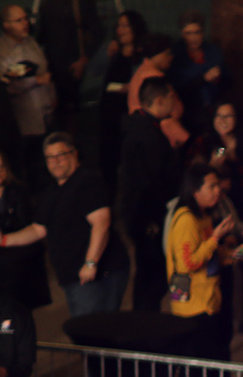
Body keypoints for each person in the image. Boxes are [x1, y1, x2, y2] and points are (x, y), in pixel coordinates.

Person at [16, 132, 126, 317]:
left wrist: (90, 263)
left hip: (96, 276)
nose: (55, 161)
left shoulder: (87, 182)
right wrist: (4, 240)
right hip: (72, 278)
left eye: (60, 155)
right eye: (50, 157)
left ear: (74, 154)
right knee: (84, 332)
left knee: (94, 332)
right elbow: (37, 229)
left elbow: (101, 223)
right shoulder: (51, 193)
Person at [187, 102, 243, 335]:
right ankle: (224, 320)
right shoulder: (203, 143)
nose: (223, 121)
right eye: (218, 115)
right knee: (222, 273)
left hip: (242, 212)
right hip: (215, 218)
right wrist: (212, 166)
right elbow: (192, 177)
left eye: (229, 116)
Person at [119, 79, 181, 313]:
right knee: (151, 277)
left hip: (140, 215)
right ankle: (146, 327)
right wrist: (152, 222)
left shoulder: (140, 127)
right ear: (159, 100)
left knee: (148, 276)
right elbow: (150, 183)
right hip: (147, 218)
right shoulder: (148, 136)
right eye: (171, 98)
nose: (174, 103)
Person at [165, 162, 237, 361]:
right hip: (193, 308)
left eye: (218, 185)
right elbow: (186, 264)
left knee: (217, 356)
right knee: (200, 366)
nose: (218, 190)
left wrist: (228, 254)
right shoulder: (186, 220)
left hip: (209, 301)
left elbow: (206, 253)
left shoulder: (203, 215)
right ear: (195, 191)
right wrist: (214, 239)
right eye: (211, 186)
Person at [34, 0, 100, 130]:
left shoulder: (81, 1)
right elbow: (42, 34)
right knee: (57, 108)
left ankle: (68, 142)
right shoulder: (48, 1)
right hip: (52, 66)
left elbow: (96, 31)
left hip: (70, 65)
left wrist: (83, 60)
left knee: (69, 110)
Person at [98, 10, 145, 191]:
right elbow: (93, 70)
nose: (121, 30)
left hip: (131, 114)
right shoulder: (111, 49)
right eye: (119, 25)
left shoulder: (142, 53)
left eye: (125, 25)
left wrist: (131, 87)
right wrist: (107, 54)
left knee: (130, 161)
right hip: (109, 114)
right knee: (108, 159)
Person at [1, 6, 55, 164]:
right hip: (24, 122)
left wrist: (52, 95)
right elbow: (5, 87)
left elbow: (45, 70)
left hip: (47, 112)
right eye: (19, 20)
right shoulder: (2, 51)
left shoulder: (31, 41)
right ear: (6, 25)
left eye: (25, 18)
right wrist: (35, 81)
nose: (25, 23)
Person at [168, 11, 226, 139]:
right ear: (181, 34)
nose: (193, 37)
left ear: (203, 32)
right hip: (186, 113)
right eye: (188, 33)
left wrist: (218, 78)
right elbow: (177, 87)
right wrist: (203, 79)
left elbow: (228, 82)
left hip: (212, 111)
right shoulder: (175, 55)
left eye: (197, 32)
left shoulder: (213, 52)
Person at [0, 154, 47, 312]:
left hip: (18, 264)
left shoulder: (18, 192)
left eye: (1, 167)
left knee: (18, 313)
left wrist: (5, 237)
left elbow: (29, 226)